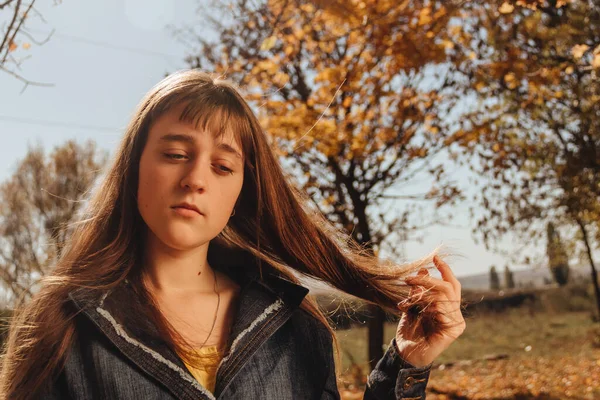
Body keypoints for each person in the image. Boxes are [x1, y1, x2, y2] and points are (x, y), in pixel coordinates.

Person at [0, 70, 465, 400]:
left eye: (223, 166)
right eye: (176, 153)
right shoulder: (64, 327)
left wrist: (407, 364)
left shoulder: (294, 327)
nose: (196, 178)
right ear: (133, 169)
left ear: (240, 191)